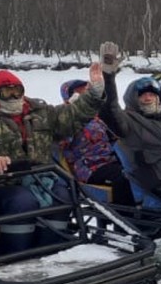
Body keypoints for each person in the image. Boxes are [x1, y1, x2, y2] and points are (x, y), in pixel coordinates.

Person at [0, 68, 108, 255]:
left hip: (40, 178)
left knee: (63, 195)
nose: (14, 97)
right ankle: (15, 252)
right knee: (22, 201)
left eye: (17, 91)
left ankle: (50, 249)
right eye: (7, 92)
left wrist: (94, 93)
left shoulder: (40, 112)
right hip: (0, 182)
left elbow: (72, 116)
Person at [96, 48, 161, 202]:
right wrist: (108, 78)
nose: (148, 98)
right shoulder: (129, 121)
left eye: (152, 94)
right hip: (160, 180)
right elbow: (109, 109)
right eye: (143, 95)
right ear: (133, 99)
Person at [57, 66, 135, 205]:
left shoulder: (96, 117)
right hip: (89, 167)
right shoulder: (64, 119)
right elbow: (61, 139)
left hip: (111, 160)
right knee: (124, 179)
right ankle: (125, 215)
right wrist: (71, 110)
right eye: (78, 92)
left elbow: (114, 135)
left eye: (85, 90)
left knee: (139, 172)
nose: (83, 93)